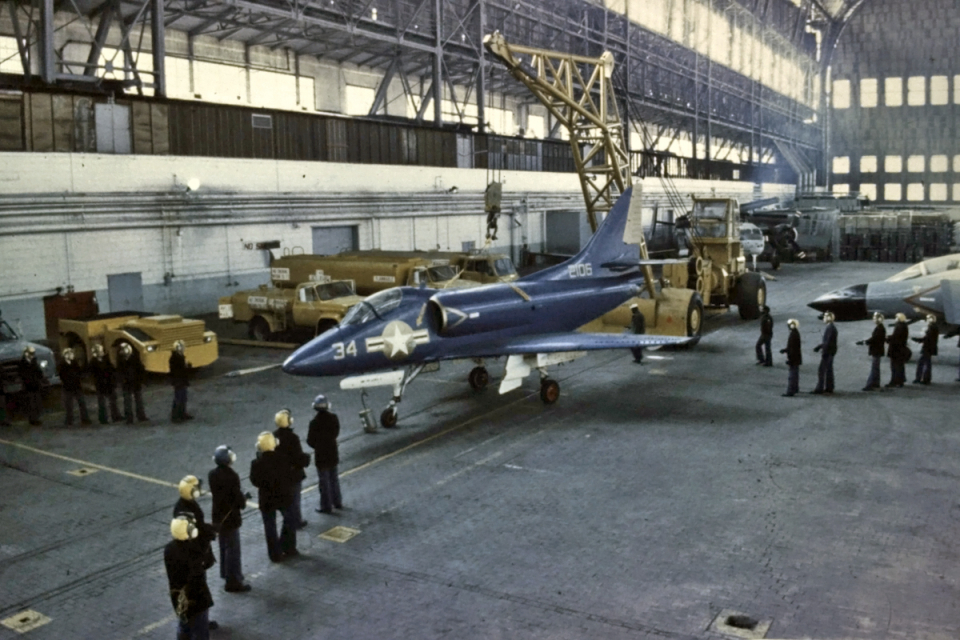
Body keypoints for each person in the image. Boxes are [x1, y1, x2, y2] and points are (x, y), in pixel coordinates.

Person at [249, 430, 298, 562]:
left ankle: (275, 554)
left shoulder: (256, 463)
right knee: (290, 519)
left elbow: (254, 481)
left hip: (266, 498)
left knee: (269, 526)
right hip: (283, 496)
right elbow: (290, 475)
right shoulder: (283, 458)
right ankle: (288, 547)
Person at [208, 446, 252, 593]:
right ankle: (234, 580)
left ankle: (226, 573)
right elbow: (236, 499)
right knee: (233, 549)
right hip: (231, 517)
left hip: (218, 516)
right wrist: (244, 498)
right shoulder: (232, 476)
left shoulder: (212, 474)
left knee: (224, 546)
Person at [164, 514, 214, 640]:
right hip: (196, 598)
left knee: (184, 626)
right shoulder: (191, 552)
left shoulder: (169, 549)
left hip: (179, 597)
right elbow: (204, 566)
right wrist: (205, 544)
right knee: (201, 631)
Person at [273, 409, 310, 529]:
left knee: (285, 498)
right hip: (293, 473)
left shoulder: (273, 436)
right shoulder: (293, 438)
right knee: (295, 499)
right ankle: (296, 521)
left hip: (280, 474)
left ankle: (288, 519)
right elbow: (298, 456)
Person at [306, 394, 343, 515]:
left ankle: (326, 506)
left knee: (324, 481)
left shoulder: (314, 422)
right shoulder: (333, 418)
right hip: (332, 452)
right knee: (334, 479)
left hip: (321, 455)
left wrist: (318, 445)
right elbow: (336, 432)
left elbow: (310, 440)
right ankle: (337, 502)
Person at [88, 344, 122, 424]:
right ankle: (103, 419)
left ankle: (116, 416)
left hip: (109, 383)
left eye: (102, 351)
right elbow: (92, 374)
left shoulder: (106, 359)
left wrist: (113, 378)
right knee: (102, 403)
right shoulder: (93, 363)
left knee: (113, 401)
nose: (102, 352)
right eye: (100, 351)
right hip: (100, 384)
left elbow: (111, 369)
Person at [58, 348, 92, 426]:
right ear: (66, 355)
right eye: (70, 354)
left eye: (72, 354)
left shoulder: (74, 363)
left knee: (82, 403)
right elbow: (62, 376)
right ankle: (69, 420)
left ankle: (85, 419)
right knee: (69, 405)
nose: (72, 355)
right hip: (68, 387)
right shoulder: (62, 365)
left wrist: (79, 377)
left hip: (77, 386)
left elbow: (79, 372)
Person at [117, 343, 148, 423]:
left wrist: (142, 380)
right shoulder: (120, 360)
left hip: (135, 382)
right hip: (127, 383)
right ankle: (129, 418)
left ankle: (140, 416)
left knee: (138, 400)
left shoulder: (134, 359)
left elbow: (140, 370)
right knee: (128, 401)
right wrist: (122, 380)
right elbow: (119, 372)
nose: (123, 351)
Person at [857, 312, 887, 391]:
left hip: (876, 350)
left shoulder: (879, 328)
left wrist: (864, 342)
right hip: (878, 350)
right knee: (876, 367)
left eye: (874, 318)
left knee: (874, 368)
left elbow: (874, 339)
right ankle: (875, 383)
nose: (873, 320)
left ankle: (871, 384)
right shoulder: (880, 328)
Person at [811, 311, 838, 394]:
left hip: (828, 352)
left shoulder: (830, 328)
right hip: (830, 351)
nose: (823, 319)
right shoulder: (832, 327)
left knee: (822, 370)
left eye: (825, 317)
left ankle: (820, 388)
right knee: (829, 370)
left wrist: (819, 347)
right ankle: (829, 387)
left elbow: (827, 342)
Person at [18, 346, 45, 426]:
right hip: (28, 386)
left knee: (36, 402)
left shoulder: (33, 361)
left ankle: (36, 418)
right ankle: (33, 419)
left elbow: (38, 371)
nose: (32, 355)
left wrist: (40, 378)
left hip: (35, 385)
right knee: (31, 403)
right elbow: (22, 374)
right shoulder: (22, 363)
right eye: (31, 353)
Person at [169, 340, 194, 423]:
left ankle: (182, 414)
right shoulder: (176, 358)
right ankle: (176, 416)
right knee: (179, 398)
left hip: (181, 380)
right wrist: (187, 367)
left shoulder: (178, 357)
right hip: (179, 380)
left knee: (183, 398)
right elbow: (178, 370)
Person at [912, 315, 939, 385]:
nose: (927, 320)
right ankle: (925, 379)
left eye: (928, 318)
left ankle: (921, 378)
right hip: (930, 348)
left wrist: (918, 340)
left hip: (927, 348)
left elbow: (927, 338)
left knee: (923, 363)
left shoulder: (932, 327)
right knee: (926, 363)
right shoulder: (934, 327)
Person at [886, 312, 909, 388]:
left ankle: (895, 381)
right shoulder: (904, 326)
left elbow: (896, 337)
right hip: (901, 349)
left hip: (896, 349)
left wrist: (888, 339)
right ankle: (900, 381)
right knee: (900, 365)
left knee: (895, 366)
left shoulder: (899, 326)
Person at [779, 318, 801, 396]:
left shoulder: (793, 334)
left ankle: (790, 391)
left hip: (793, 358)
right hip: (796, 358)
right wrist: (785, 350)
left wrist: (790, 359)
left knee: (792, 375)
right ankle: (795, 388)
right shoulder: (796, 333)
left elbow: (792, 348)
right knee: (795, 374)